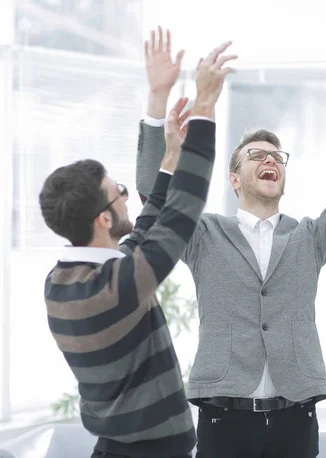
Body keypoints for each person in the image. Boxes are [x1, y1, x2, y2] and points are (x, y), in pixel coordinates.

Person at [136, 27, 326, 458]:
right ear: (235, 180)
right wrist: (157, 99)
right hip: (224, 418)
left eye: (276, 156)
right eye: (256, 155)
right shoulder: (204, 236)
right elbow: (151, 195)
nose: (270, 159)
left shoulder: (309, 237)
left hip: (296, 418)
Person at [39, 40, 236, 458]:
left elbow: (142, 233)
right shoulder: (118, 284)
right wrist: (204, 103)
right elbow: (182, 212)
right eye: (120, 193)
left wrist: (168, 151)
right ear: (104, 220)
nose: (128, 198)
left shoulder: (62, 282)